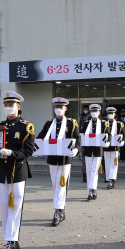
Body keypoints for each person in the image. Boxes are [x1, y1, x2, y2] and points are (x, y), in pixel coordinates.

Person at [0, 92, 35, 249]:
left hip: (18, 169)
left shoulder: (25, 126)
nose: (9, 107)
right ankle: (11, 240)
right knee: (4, 207)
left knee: (15, 206)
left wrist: (12, 153)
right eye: (6, 105)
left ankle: (10, 241)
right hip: (1, 171)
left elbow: (28, 150)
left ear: (18, 106)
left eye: (12, 104)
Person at [36, 97, 80, 226]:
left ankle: (57, 211)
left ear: (65, 109)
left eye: (61, 107)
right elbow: (41, 136)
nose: (58, 109)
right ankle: (61, 208)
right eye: (56, 107)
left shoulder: (71, 123)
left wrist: (77, 149)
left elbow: (77, 138)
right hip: (53, 158)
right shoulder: (50, 123)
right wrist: (37, 148)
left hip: (65, 159)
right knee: (55, 185)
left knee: (61, 185)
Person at [80, 104, 109, 201]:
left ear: (99, 112)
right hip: (88, 150)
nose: (94, 113)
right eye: (92, 111)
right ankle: (90, 190)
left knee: (94, 170)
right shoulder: (86, 123)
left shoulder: (104, 123)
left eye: (96, 111)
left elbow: (108, 134)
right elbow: (81, 135)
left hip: (97, 150)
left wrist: (107, 142)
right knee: (88, 170)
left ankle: (93, 189)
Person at [103, 107, 125, 189]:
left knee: (114, 164)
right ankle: (108, 178)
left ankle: (112, 180)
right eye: (109, 114)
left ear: (115, 114)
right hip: (106, 147)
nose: (110, 115)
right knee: (107, 164)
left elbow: (123, 134)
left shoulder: (119, 124)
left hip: (115, 147)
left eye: (112, 113)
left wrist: (123, 141)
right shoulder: (104, 123)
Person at [79, 105, 91, 183]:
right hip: (84, 141)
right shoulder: (81, 117)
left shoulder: (91, 117)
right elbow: (80, 129)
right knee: (84, 160)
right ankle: (84, 175)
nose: (85, 110)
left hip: (92, 142)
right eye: (85, 109)